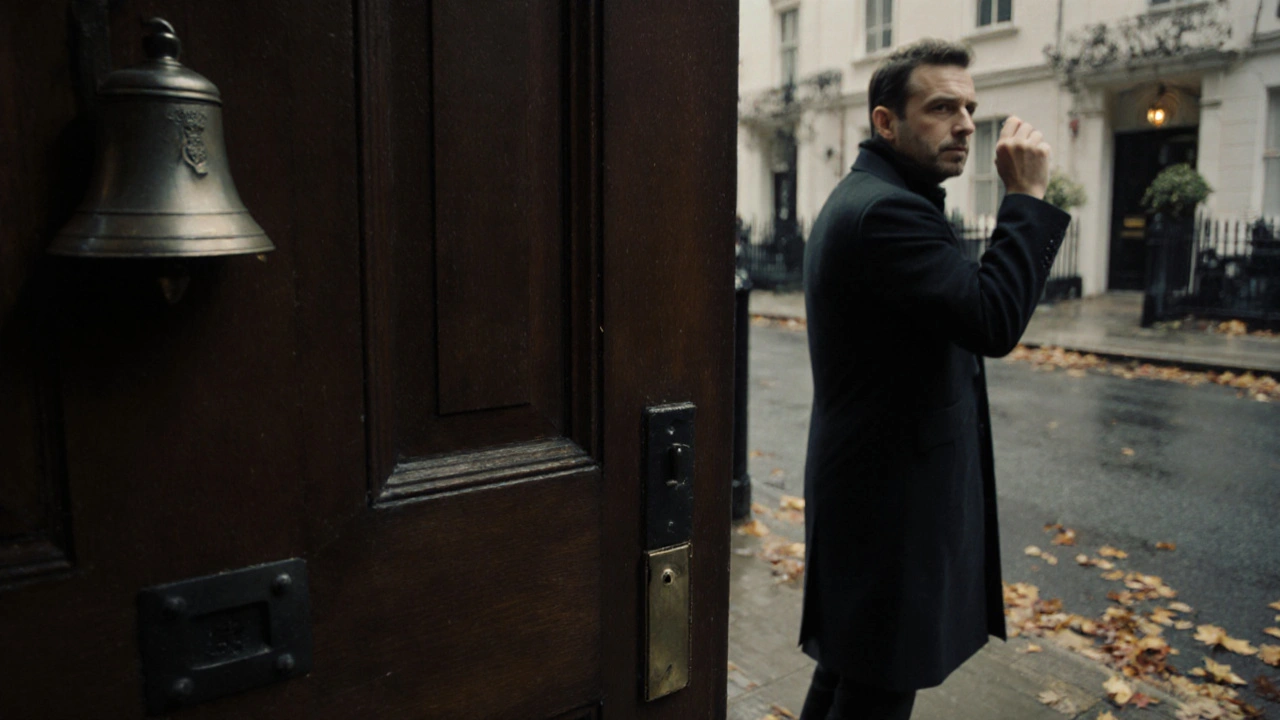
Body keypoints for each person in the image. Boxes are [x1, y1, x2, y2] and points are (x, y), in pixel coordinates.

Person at [797, 39, 1070, 719]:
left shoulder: (883, 196)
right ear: (886, 121)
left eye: (970, 108)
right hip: (890, 505)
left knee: (849, 675)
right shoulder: (887, 211)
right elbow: (992, 318)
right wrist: (1027, 198)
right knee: (876, 693)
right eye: (942, 107)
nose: (966, 124)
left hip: (875, 491)